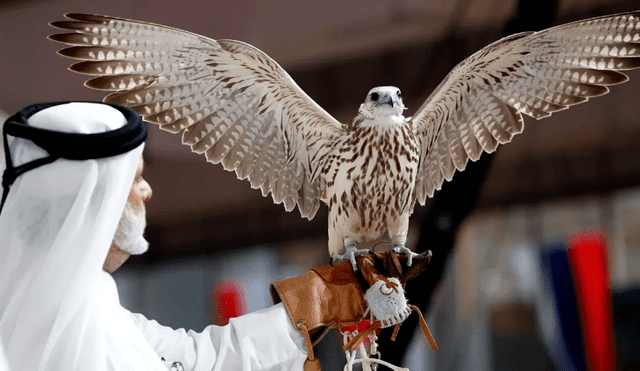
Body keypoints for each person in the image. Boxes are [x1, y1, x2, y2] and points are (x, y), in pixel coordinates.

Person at [0, 101, 428, 371]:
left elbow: (198, 360)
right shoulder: (51, 328)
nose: (147, 191)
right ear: (91, 203)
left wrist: (317, 300)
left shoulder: (92, 301)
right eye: (135, 179)